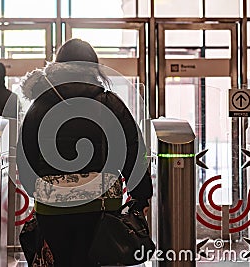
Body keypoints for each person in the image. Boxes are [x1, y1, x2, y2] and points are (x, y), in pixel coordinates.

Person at [17, 39, 153, 266]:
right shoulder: (109, 102)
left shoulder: (38, 106)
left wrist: (37, 189)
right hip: (101, 205)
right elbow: (133, 149)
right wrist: (141, 194)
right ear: (94, 68)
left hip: (52, 205)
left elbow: (25, 153)